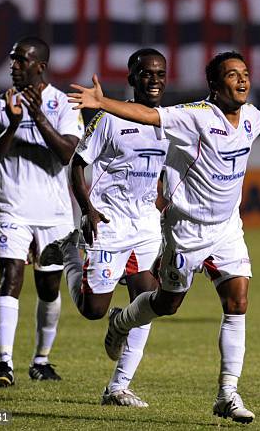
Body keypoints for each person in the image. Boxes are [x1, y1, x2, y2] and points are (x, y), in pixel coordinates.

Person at [66, 51, 260, 424]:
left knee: (238, 300)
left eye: (245, 73)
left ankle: (227, 393)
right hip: (185, 231)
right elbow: (148, 115)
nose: (242, 80)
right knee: (165, 305)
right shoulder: (193, 115)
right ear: (215, 84)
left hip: (227, 229)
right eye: (232, 75)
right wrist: (103, 103)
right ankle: (121, 322)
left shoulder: (251, 117)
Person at [40, 48, 168, 407]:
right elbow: (77, 165)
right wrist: (88, 209)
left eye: (160, 74)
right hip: (108, 222)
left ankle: (118, 387)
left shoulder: (168, 121)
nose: (154, 80)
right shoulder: (109, 118)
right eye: (146, 73)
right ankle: (68, 252)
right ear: (132, 78)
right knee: (93, 311)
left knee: (149, 303)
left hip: (145, 226)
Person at [0, 36, 83, 387]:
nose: (14, 66)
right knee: (10, 277)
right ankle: (4, 363)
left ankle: (41, 360)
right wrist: (11, 125)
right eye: (13, 60)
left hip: (54, 213)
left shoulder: (64, 104)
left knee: (49, 287)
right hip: (13, 208)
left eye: (21, 60)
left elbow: (68, 153)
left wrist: (36, 116)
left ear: (40, 66)